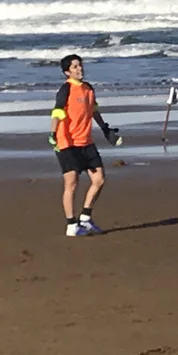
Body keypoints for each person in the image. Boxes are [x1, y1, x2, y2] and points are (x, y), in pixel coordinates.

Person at [49, 54, 121, 237]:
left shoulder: (88, 88)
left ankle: (86, 218)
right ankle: (71, 225)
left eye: (80, 65)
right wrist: (53, 134)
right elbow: (57, 112)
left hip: (86, 142)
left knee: (99, 179)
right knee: (72, 184)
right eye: (75, 67)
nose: (79, 69)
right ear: (67, 72)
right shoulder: (66, 89)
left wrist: (105, 129)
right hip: (67, 142)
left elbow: (94, 110)